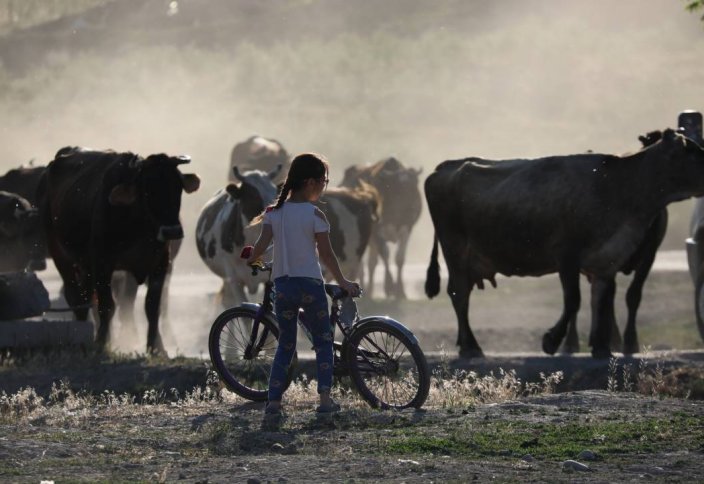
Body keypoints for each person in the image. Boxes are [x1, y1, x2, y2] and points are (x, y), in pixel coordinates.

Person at [246, 152, 360, 415]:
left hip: (283, 288)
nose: (324, 186)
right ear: (310, 182)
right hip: (310, 286)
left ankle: (273, 402)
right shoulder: (315, 215)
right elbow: (328, 255)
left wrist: (251, 258)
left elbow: (261, 246)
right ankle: (324, 401)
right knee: (323, 343)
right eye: (324, 181)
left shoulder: (274, 213)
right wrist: (342, 281)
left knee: (285, 345)